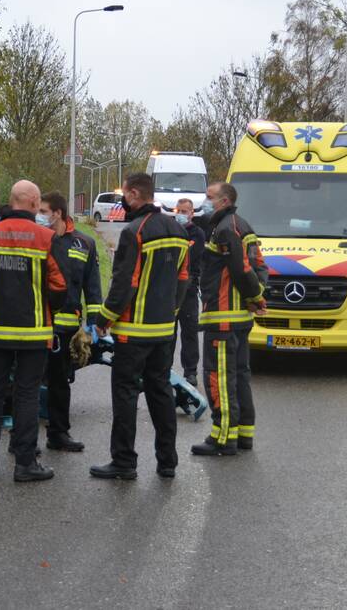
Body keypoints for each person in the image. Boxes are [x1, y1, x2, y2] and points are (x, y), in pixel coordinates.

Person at [0, 180, 67, 482]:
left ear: (10, 200)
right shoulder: (45, 237)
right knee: (26, 395)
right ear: (34, 203)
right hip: (34, 331)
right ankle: (24, 464)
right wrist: (49, 309)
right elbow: (59, 287)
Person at [91, 173, 190, 480]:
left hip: (133, 332)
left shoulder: (135, 231)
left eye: (126, 195)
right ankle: (167, 462)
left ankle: (124, 462)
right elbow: (184, 279)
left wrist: (104, 318)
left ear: (135, 194)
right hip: (164, 331)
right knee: (160, 393)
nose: (124, 201)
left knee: (125, 394)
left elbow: (124, 284)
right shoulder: (177, 229)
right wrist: (171, 312)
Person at [192, 182, 267, 457]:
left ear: (223, 201)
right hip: (239, 318)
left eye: (210, 197)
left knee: (220, 377)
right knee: (239, 376)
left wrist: (256, 297)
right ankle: (243, 433)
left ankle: (222, 437)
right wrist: (257, 295)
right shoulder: (241, 224)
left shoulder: (225, 229)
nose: (205, 200)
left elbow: (241, 268)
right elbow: (260, 265)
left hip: (223, 317)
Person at [38, 191, 102, 452]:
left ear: (58, 213)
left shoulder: (84, 243)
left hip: (66, 329)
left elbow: (93, 286)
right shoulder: (39, 241)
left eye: (43, 211)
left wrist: (94, 326)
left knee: (60, 384)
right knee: (27, 383)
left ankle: (58, 434)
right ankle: (24, 439)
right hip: (39, 324)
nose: (38, 216)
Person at [172, 198, 205, 386]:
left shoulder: (197, 234)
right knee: (169, 332)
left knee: (190, 331)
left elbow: (192, 257)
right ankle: (164, 369)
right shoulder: (171, 230)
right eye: (180, 210)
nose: (182, 214)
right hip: (170, 289)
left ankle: (190, 372)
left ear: (192, 213)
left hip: (189, 289)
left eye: (186, 211)